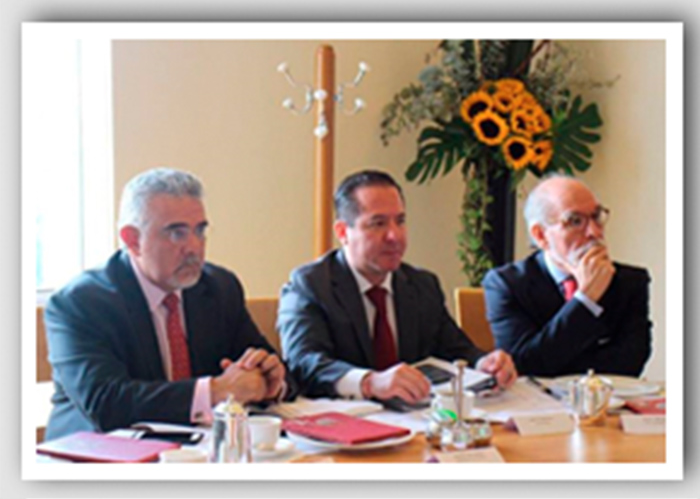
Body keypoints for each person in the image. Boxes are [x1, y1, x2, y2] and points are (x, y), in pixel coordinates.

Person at [44, 168, 295, 440]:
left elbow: (277, 374)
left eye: (200, 231)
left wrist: (270, 381)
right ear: (133, 240)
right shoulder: (80, 303)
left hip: (196, 448)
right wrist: (216, 391)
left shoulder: (218, 288)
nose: (194, 247)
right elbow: (107, 403)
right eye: (177, 233)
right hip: (98, 453)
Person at [277, 170, 517, 405]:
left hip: (417, 420)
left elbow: (455, 348)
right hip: (346, 421)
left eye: (400, 221)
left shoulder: (422, 285)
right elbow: (304, 363)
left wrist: (484, 363)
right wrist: (370, 382)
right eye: (378, 223)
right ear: (343, 232)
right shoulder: (310, 286)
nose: (394, 236)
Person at [482, 175, 652, 377]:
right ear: (540, 235)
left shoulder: (629, 281)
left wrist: (559, 357)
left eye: (596, 217)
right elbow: (523, 366)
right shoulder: (507, 284)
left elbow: (631, 365)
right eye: (575, 221)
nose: (594, 232)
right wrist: (586, 300)